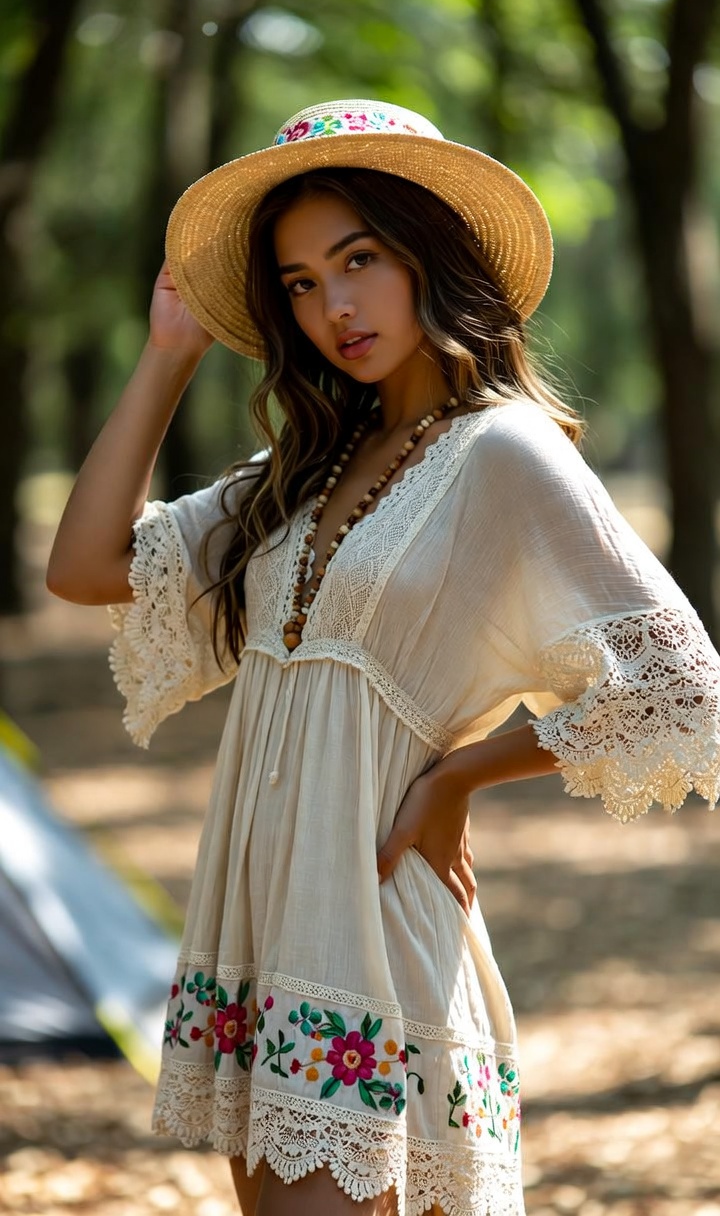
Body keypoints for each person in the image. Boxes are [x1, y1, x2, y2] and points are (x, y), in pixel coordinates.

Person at [47, 99, 720, 1216]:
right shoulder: (301, 471)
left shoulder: (503, 451)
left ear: (428, 254)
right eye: (301, 282)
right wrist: (169, 356)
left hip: (373, 922)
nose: (335, 307)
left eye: (358, 259)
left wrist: (459, 777)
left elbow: (682, 685)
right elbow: (83, 567)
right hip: (267, 933)